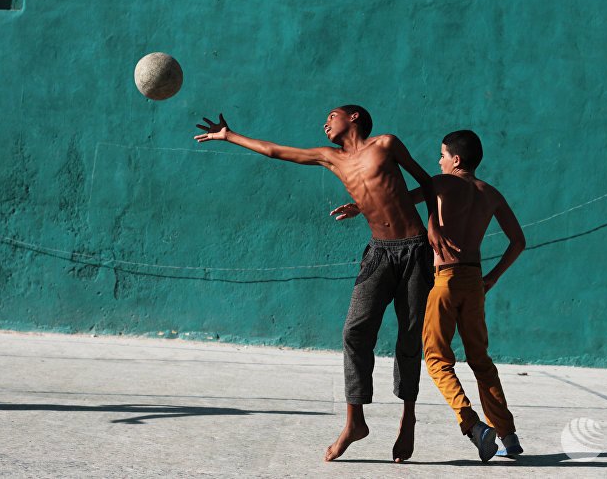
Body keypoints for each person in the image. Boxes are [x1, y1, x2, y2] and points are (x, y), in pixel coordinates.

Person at [194, 106, 457, 463]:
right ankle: (355, 422)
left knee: (409, 338)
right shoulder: (329, 158)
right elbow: (275, 151)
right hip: (379, 253)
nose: (324, 123)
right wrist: (230, 136)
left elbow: (426, 182)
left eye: (331, 116)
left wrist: (434, 226)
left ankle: (408, 416)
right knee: (354, 332)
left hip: (414, 250)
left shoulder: (386, 144)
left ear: (353, 118)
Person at [332, 129, 525, 462]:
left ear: (456, 159)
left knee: (436, 360)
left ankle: (472, 424)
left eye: (441, 154)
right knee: (481, 361)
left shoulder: (442, 183)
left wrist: (359, 209)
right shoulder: (491, 194)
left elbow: (397, 201)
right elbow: (518, 241)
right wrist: (491, 277)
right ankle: (509, 435)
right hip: (474, 281)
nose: (438, 160)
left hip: (443, 280)